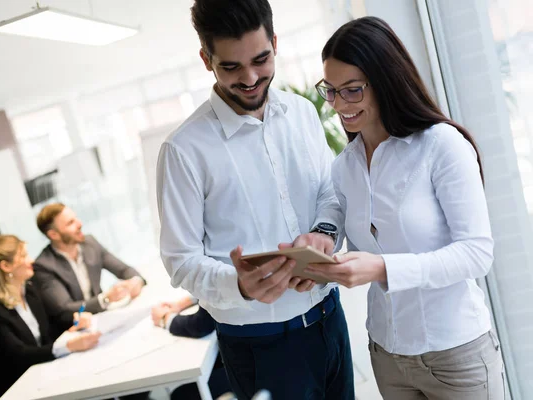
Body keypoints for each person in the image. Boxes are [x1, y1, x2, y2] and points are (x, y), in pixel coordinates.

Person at [156, 1, 354, 399]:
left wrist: (324, 233)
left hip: (330, 320)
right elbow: (181, 262)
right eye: (230, 67)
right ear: (205, 59)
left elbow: (329, 193)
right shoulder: (184, 150)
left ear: (275, 43)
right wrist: (240, 286)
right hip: (259, 348)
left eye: (261, 60)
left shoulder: (301, 113)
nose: (249, 78)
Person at [304, 16, 504, 399]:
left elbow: (477, 254)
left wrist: (382, 268)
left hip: (456, 355)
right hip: (388, 356)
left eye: (353, 91)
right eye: (331, 91)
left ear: (385, 81)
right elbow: (342, 230)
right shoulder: (344, 166)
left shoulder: (441, 145)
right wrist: (318, 256)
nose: (339, 105)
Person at [0, 234, 101, 400]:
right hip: (18, 389)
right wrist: (68, 346)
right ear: (6, 266)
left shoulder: (30, 293)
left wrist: (74, 321)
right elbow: (18, 355)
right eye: (24, 256)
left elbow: (51, 326)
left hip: (43, 376)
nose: (31, 260)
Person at [32, 203, 146, 330]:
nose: (80, 224)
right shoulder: (43, 266)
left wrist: (136, 281)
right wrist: (105, 299)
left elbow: (124, 270)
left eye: (76, 218)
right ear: (54, 235)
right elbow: (65, 309)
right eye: (70, 223)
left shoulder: (90, 243)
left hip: (103, 321)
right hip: (74, 331)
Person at [151, 296, 231, 400]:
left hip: (247, 360)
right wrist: (185, 302)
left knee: (182, 395)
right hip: (246, 345)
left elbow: (201, 325)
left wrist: (165, 318)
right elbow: (213, 290)